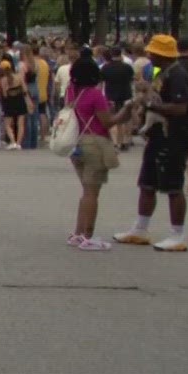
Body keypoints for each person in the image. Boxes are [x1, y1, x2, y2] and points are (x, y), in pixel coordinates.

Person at [112, 35, 188, 252]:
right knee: (147, 182)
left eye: (153, 52)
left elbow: (180, 108)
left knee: (173, 186)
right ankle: (140, 228)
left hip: (175, 137)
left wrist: (151, 105)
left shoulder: (178, 76)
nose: (149, 55)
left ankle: (177, 234)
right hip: (159, 135)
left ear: (163, 54)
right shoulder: (165, 73)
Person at [63, 51, 121, 250]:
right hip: (95, 142)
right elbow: (107, 121)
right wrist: (125, 112)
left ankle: (78, 233)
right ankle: (89, 235)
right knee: (92, 193)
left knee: (86, 191)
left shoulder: (71, 91)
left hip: (76, 141)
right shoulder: (95, 94)